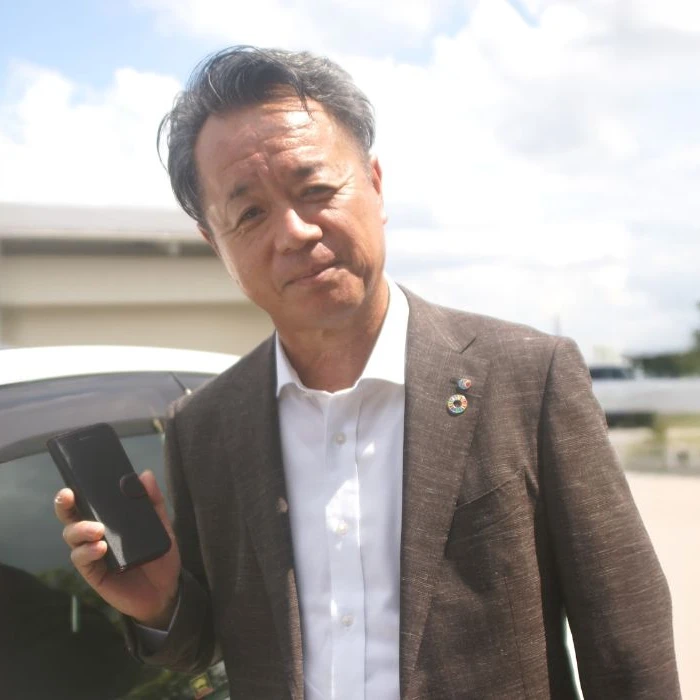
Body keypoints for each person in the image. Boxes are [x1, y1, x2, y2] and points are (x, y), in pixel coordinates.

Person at [55, 46, 680, 699]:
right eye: (250, 213)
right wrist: (160, 604)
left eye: (315, 189)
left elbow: (627, 644)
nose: (294, 232)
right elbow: (218, 647)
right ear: (216, 242)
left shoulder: (527, 377)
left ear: (375, 183)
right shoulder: (202, 429)